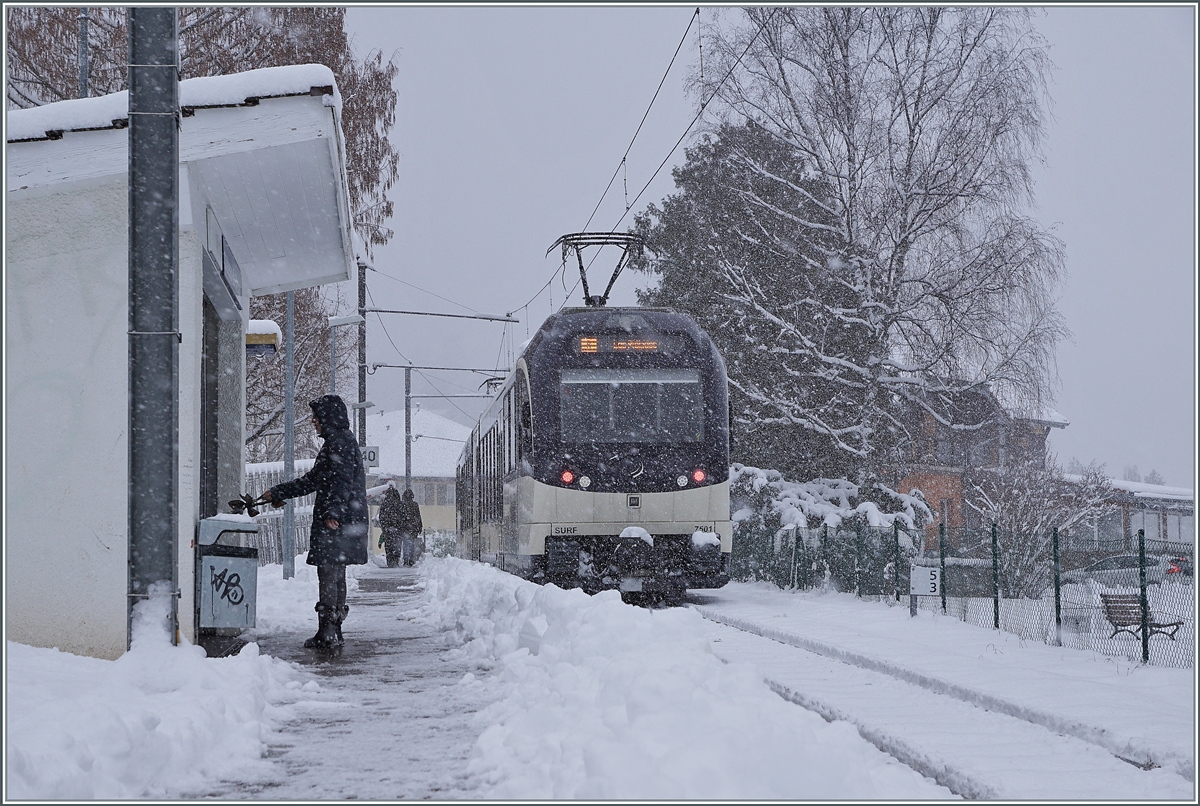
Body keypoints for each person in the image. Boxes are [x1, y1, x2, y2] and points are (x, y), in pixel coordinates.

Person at [261, 394, 368, 649]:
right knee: (335, 571)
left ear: (327, 418)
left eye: (316, 417)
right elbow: (314, 480)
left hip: (338, 518)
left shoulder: (339, 443)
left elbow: (341, 480)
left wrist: (333, 513)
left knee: (329, 573)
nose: (313, 422)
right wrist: (278, 492)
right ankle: (334, 629)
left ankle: (328, 630)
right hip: (345, 517)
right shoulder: (339, 441)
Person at [377, 483, 405, 568]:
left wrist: (384, 527)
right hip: (397, 529)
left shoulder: (384, 504)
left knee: (388, 546)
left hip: (387, 530)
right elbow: (403, 516)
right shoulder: (400, 504)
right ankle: (395, 560)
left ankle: (390, 561)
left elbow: (381, 517)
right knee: (397, 545)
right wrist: (400, 526)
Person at [397, 488, 423, 566]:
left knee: (405, 544)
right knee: (411, 544)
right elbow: (418, 516)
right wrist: (419, 526)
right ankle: (411, 559)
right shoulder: (415, 505)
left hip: (405, 528)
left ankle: (406, 559)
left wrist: (400, 526)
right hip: (413, 528)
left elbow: (400, 517)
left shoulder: (402, 505)